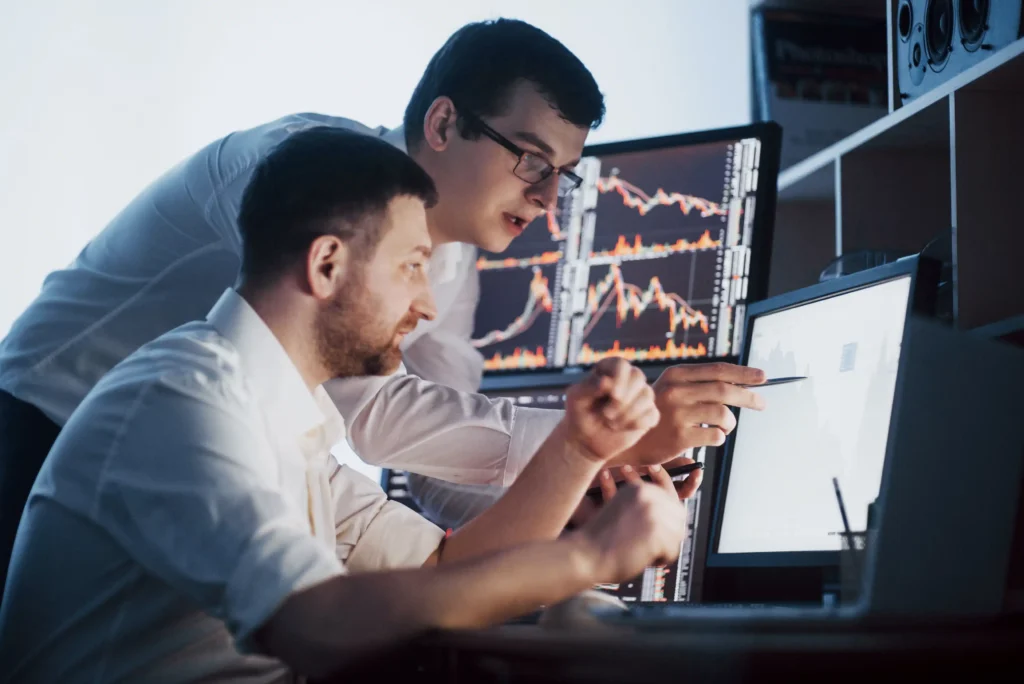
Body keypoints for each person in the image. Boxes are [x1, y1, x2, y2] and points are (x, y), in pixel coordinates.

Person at [0, 18, 766, 585]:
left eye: (560, 175)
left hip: (202, 461)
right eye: (532, 161)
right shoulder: (303, 177)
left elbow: (432, 469)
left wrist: (567, 499)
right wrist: (603, 440)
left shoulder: (445, 255)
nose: (547, 203)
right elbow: (374, 416)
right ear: (442, 123)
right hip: (40, 436)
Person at [0, 128, 695, 683]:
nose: (425, 304)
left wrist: (578, 451)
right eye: (411, 266)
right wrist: (591, 560)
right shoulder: (182, 401)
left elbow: (448, 573)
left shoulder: (293, 424)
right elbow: (316, 626)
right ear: (327, 264)